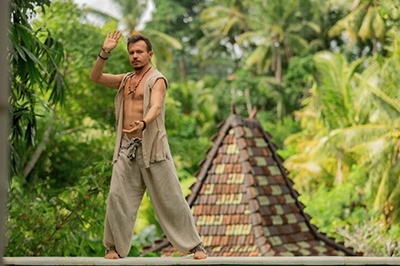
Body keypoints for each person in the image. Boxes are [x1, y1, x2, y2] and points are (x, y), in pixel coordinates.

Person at [90, 30, 207, 260]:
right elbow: (96, 77)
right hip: (126, 149)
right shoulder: (125, 80)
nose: (135, 56)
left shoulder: (157, 79)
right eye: (131, 52)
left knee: (171, 198)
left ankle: (195, 246)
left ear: (150, 54)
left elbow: (155, 106)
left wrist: (143, 123)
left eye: (139, 52)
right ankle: (113, 247)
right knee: (116, 196)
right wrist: (105, 52)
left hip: (153, 149)